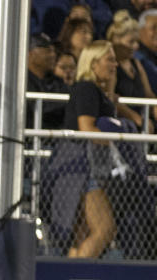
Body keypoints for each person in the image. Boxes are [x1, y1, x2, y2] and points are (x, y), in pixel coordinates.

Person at [42, 40, 118, 258]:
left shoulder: (95, 91)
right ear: (93, 64)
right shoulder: (86, 88)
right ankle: (75, 274)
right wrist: (118, 142)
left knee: (83, 234)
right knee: (104, 228)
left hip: (90, 167)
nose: (115, 65)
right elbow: (87, 128)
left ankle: (69, 277)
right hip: (82, 168)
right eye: (109, 60)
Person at [26, 33, 68, 129]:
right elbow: (40, 111)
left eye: (53, 51)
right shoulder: (22, 82)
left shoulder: (58, 82)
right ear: (30, 53)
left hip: (57, 140)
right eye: (48, 51)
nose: (53, 55)